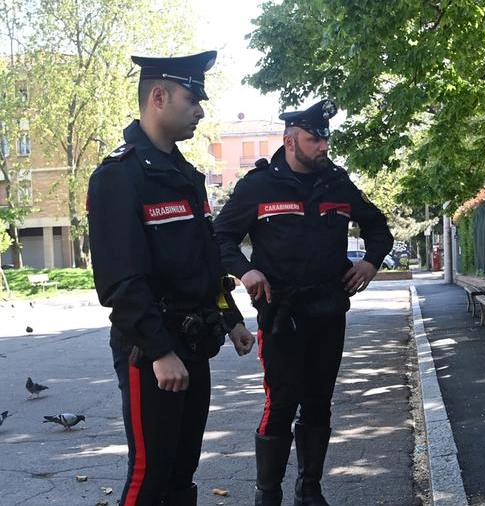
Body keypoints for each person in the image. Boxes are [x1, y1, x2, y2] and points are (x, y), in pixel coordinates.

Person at [87, 51, 256, 506]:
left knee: (183, 470)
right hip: (152, 351)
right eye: (192, 97)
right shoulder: (117, 178)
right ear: (158, 96)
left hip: (194, 343)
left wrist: (231, 318)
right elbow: (120, 283)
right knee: (150, 474)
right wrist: (160, 351)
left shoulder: (185, 176)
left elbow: (204, 266)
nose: (200, 110)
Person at [213, 100, 394, 506]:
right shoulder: (258, 186)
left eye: (326, 138)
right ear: (290, 141)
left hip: (328, 310)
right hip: (282, 314)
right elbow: (218, 237)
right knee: (281, 403)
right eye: (315, 139)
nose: (324, 146)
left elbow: (379, 228)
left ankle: (309, 489)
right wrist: (246, 271)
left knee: (318, 403)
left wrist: (369, 262)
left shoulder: (338, 183)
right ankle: (268, 494)